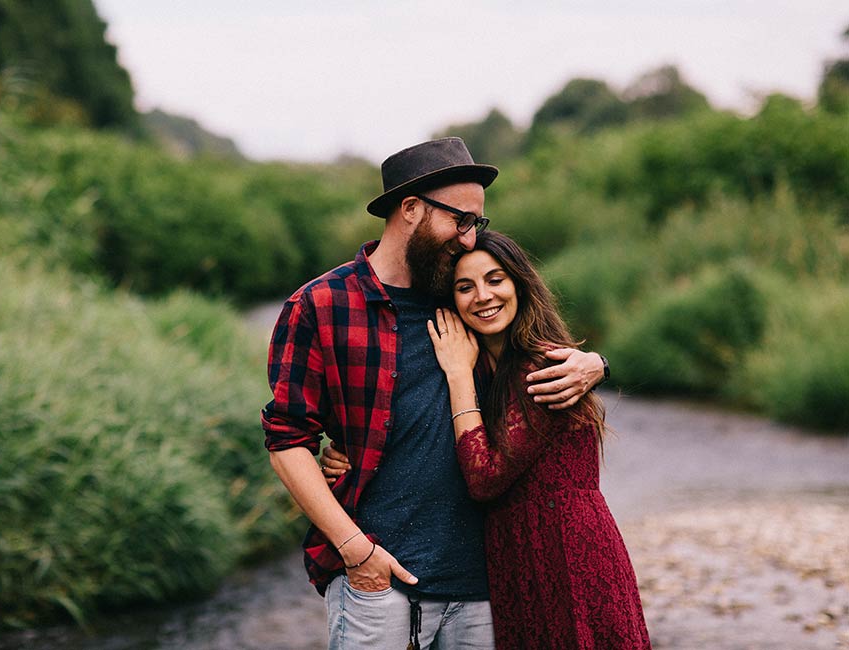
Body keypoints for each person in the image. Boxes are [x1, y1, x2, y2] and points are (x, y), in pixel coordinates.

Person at [262, 137, 607, 649]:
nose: (470, 240)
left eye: (477, 224)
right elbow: (287, 440)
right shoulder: (321, 306)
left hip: (485, 582)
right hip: (376, 578)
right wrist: (355, 551)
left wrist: (595, 362)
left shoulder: (463, 293)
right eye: (461, 219)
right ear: (410, 210)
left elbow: (530, 347)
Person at [427, 230, 651, 649]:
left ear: (519, 284)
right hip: (518, 553)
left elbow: (484, 477)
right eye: (465, 287)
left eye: (495, 279)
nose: (482, 296)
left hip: (567, 550)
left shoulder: (541, 368)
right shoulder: (484, 372)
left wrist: (457, 375)